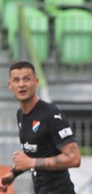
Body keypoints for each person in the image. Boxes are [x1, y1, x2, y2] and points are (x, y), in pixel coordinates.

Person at [0, 61, 81, 193]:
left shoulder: (51, 114)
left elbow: (74, 158)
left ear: (36, 82)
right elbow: (35, 152)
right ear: (10, 85)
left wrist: (31, 163)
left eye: (26, 79)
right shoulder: (20, 114)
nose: (21, 84)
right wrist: (13, 174)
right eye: (16, 80)